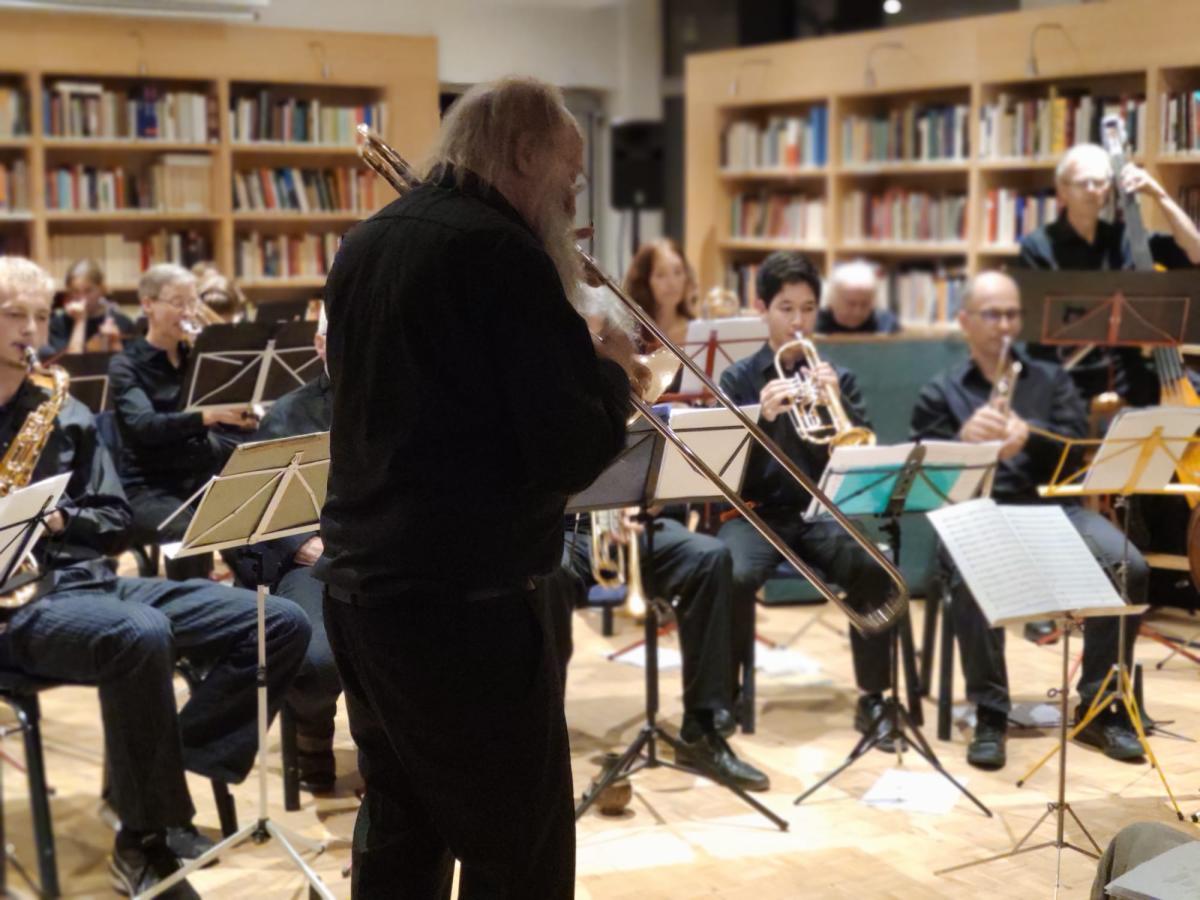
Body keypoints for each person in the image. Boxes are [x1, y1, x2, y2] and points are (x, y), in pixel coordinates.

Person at [317, 77, 638, 899]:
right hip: (465, 610)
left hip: (362, 593)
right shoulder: (503, 254)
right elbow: (568, 452)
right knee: (519, 853)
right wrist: (610, 371)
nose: (572, 199)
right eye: (569, 176)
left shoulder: (367, 241)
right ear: (524, 152)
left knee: (400, 829)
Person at [0, 256, 311, 898]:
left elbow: (114, 517)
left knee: (277, 621)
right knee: (138, 632)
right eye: (13, 315)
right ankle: (145, 839)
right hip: (15, 609)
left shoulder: (63, 409)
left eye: (38, 314)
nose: (30, 329)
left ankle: (151, 779)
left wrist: (58, 518)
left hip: (88, 580)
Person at [910, 270, 1148, 769]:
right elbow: (923, 475)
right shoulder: (940, 392)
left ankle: (1099, 709)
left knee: (1128, 565)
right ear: (965, 321)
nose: (1004, 325)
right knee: (969, 568)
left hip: (1051, 511)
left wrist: (1030, 436)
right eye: (992, 315)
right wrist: (963, 443)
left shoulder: (1050, 379)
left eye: (1011, 315)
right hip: (978, 515)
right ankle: (990, 712)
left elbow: (1076, 452)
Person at [716, 251, 895, 750]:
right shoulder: (738, 380)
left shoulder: (838, 378)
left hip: (821, 512)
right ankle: (725, 696)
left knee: (874, 566)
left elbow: (862, 454)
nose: (798, 321)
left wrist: (839, 402)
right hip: (756, 514)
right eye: (786, 308)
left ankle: (875, 697)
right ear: (762, 310)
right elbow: (725, 470)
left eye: (809, 309)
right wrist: (761, 419)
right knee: (729, 571)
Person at [231, 306, 340, 792]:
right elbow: (258, 508)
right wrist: (303, 544)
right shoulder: (288, 412)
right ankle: (313, 732)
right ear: (319, 346)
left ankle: (391, 753)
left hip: (384, 554)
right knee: (315, 657)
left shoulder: (403, 399)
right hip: (310, 557)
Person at [107, 264, 257, 577]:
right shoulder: (126, 365)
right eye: (178, 303)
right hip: (148, 486)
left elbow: (220, 408)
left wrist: (236, 415)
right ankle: (195, 601)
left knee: (253, 514)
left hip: (199, 473)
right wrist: (205, 416)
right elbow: (145, 425)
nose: (188, 313)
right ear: (148, 304)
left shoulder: (197, 356)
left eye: (192, 303)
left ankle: (252, 598)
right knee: (190, 533)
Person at [44, 258, 137, 356]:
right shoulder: (59, 324)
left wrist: (115, 342)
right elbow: (69, 362)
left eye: (88, 291)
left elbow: (130, 362)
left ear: (102, 289)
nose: (82, 298)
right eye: (75, 291)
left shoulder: (123, 322)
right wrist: (80, 321)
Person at [814, 259, 900, 335]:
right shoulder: (813, 323)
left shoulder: (885, 324)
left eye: (865, 304)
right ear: (832, 301)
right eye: (851, 304)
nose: (857, 312)